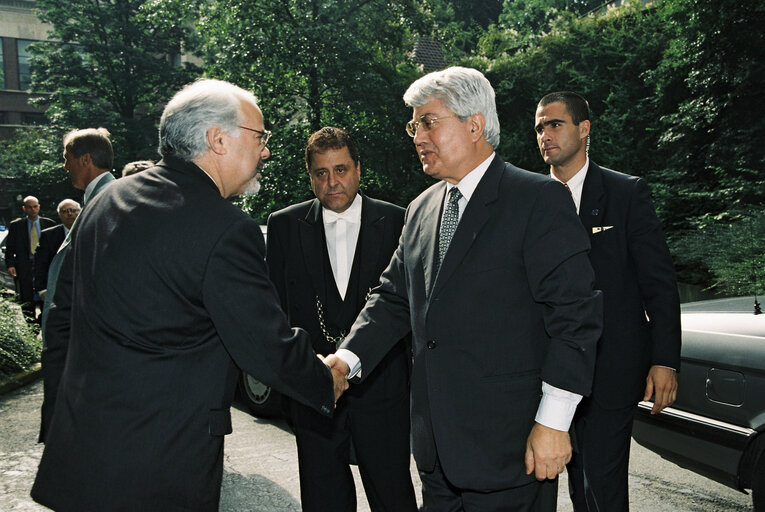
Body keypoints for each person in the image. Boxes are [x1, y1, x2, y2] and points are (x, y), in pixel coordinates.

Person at [31, 78, 347, 511]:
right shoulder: (224, 228)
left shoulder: (105, 203)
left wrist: (57, 421)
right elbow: (263, 344)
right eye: (260, 137)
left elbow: (61, 322)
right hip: (158, 468)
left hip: (81, 452)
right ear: (218, 140)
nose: (266, 151)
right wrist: (323, 379)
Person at [325, 67, 603, 511]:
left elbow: (576, 317)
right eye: (413, 125)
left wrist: (554, 422)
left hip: (511, 450)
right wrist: (346, 360)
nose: (417, 136)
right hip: (437, 454)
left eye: (428, 121)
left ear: (474, 124)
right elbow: (394, 297)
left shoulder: (538, 200)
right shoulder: (421, 208)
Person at [534, 91, 681, 511]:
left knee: (602, 480)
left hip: (612, 367)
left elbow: (660, 283)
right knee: (564, 479)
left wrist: (665, 359)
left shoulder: (625, 192)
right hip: (545, 368)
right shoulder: (524, 200)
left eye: (555, 124)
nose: (545, 134)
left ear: (584, 129)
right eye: (540, 126)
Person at [267, 126, 417, 512]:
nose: (332, 182)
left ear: (359, 169)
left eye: (341, 169)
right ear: (310, 175)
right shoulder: (284, 224)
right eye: (321, 173)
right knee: (323, 499)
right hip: (313, 392)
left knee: (393, 495)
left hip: (382, 388)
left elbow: (408, 310)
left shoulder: (400, 220)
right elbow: (276, 308)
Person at [38, 128, 117, 442]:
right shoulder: (98, 198)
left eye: (66, 158)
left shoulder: (109, 198)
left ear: (85, 160)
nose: (64, 166)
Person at [4, 196, 56, 318]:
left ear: (39, 207)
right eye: (29, 207)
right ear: (24, 208)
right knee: (26, 298)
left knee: (46, 294)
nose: (33, 210)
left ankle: (44, 321)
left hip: (44, 266)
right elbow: (10, 248)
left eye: (35, 206)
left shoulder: (49, 224)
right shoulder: (16, 226)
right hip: (25, 265)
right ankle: (31, 326)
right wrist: (10, 265)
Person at [33, 199, 80, 302]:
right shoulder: (48, 235)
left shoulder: (89, 232)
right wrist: (42, 290)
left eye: (73, 210)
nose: (70, 214)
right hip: (57, 290)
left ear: (79, 212)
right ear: (59, 214)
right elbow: (41, 264)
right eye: (65, 211)